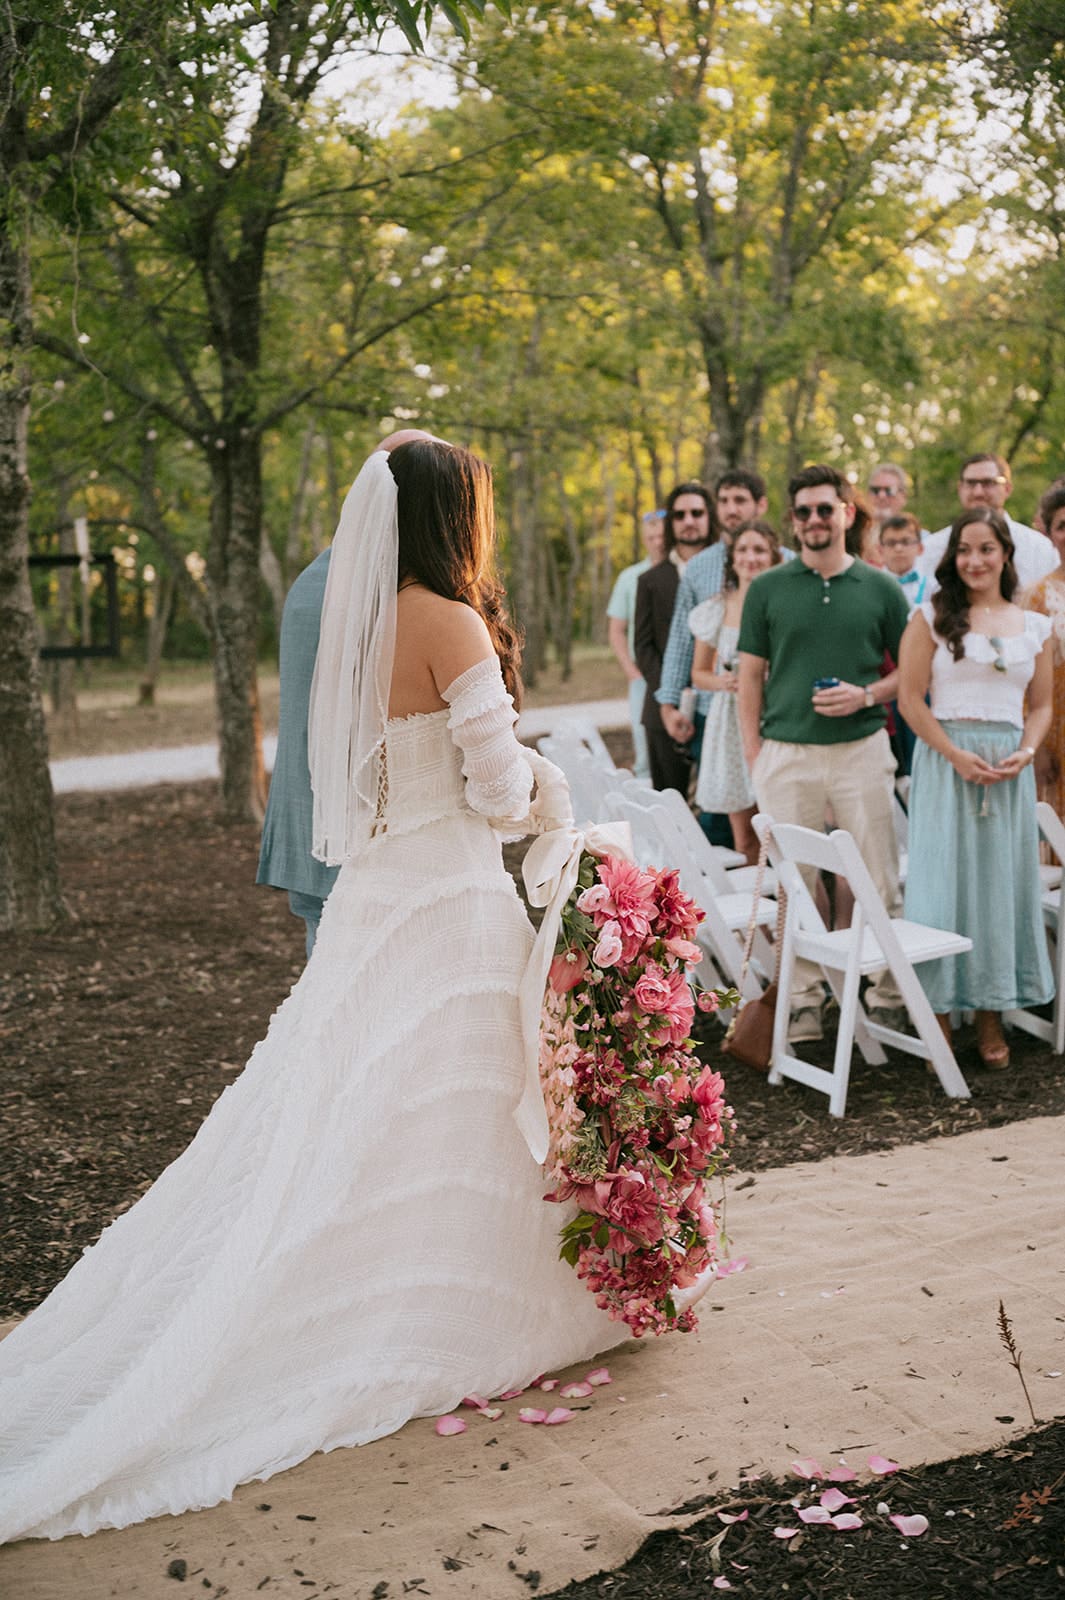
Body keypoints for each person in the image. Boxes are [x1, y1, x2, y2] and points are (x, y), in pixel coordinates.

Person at [0, 435, 627, 1544]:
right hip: (447, 905)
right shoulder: (451, 622)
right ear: (450, 516)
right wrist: (554, 790)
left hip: (374, 899)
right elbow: (492, 785)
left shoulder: (353, 620)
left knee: (351, 1111)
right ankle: (442, 1314)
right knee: (460, 1114)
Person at [737, 464, 911, 1042]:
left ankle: (888, 994)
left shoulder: (881, 588)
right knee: (796, 883)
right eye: (804, 511)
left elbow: (911, 671)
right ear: (794, 520)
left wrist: (867, 693)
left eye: (824, 509)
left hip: (863, 750)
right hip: (786, 755)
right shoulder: (767, 588)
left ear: (847, 513)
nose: (814, 519)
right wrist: (756, 756)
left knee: (878, 874)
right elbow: (750, 680)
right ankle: (805, 998)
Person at [898, 508, 1054, 1068]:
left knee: (997, 889)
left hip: (1009, 771)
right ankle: (937, 1015)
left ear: (1005, 554)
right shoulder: (931, 616)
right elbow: (911, 700)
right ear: (952, 557)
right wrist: (954, 754)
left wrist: (1026, 752)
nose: (975, 560)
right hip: (948, 763)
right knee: (943, 884)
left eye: (986, 549)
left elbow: (1040, 706)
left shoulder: (1032, 625)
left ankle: (991, 1016)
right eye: (965, 550)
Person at [655, 469, 770, 748]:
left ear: (761, 505)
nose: (731, 509)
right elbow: (682, 640)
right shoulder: (698, 567)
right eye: (724, 501)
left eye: (740, 500)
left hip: (775, 709)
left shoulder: (787, 562)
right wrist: (669, 706)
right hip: (713, 709)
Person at [689, 522, 783, 863]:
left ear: (774, 557)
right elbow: (699, 674)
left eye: (759, 550)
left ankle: (791, 909)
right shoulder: (717, 608)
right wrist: (724, 682)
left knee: (778, 832)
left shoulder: (785, 603)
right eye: (743, 550)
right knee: (745, 839)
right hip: (729, 724)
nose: (750, 557)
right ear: (732, 559)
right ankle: (763, 913)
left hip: (774, 716)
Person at [634, 481, 714, 791]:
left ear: (709, 517)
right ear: (671, 523)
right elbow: (643, 647)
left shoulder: (730, 569)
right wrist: (671, 695)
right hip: (661, 710)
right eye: (680, 515)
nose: (689, 521)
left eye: (697, 513)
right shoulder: (650, 580)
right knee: (672, 807)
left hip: (718, 705)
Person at [919, 453, 1059, 593]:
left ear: (1007, 488)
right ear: (960, 488)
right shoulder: (932, 547)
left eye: (988, 483)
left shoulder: (1039, 547)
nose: (978, 492)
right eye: (971, 483)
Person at [606, 509, 666, 780]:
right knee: (645, 751)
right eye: (652, 536)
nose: (658, 541)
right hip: (643, 678)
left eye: (663, 535)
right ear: (645, 538)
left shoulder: (682, 572)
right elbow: (617, 630)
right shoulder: (630, 578)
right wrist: (631, 671)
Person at [1023, 481, 1065, 820]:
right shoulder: (1036, 596)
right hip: (1058, 736)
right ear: (1049, 534)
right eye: (1062, 526)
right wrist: (1037, 749)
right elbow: (1026, 676)